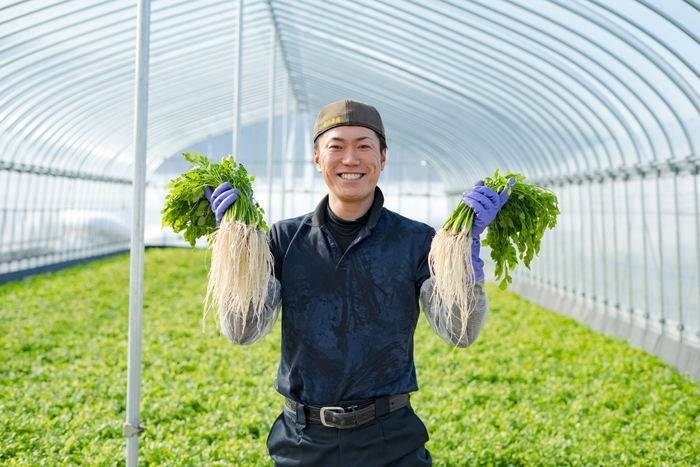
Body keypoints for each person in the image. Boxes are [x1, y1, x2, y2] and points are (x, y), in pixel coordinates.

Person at [205, 99, 512, 466]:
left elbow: (459, 333)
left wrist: (463, 267)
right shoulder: (284, 239)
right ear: (318, 158)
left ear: (383, 157)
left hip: (391, 439)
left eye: (364, 146)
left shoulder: (417, 240)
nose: (350, 159)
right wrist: (239, 252)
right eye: (336, 147)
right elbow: (242, 330)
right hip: (303, 441)